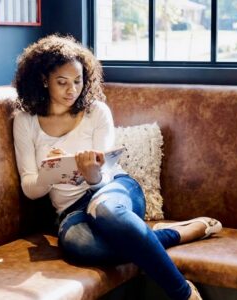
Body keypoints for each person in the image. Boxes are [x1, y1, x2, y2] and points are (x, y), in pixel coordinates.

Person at [13, 34, 222, 300]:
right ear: (44, 80)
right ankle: (165, 234)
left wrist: (93, 177)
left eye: (78, 81)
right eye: (62, 82)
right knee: (80, 246)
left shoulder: (96, 112)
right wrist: (47, 172)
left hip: (114, 189)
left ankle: (183, 293)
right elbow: (30, 188)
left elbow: (107, 170)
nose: (72, 90)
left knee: (107, 210)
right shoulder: (25, 121)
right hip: (70, 210)